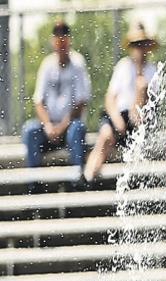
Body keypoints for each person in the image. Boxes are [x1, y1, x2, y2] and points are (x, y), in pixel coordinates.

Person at [81, 23, 158, 187]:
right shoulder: (123, 66)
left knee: (141, 87)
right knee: (106, 135)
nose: (139, 49)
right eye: (136, 45)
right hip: (118, 116)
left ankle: (89, 177)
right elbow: (110, 98)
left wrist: (140, 88)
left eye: (141, 45)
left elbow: (148, 108)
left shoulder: (152, 71)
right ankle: (88, 176)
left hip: (138, 120)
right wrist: (116, 120)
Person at [22, 20, 90, 180]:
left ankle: (75, 183)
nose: (61, 41)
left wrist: (61, 127)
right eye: (57, 37)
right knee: (29, 130)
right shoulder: (47, 64)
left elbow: (81, 102)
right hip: (49, 126)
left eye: (64, 37)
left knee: (77, 129)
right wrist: (48, 125)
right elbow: (38, 101)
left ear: (68, 40)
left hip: (68, 126)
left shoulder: (78, 63)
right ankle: (34, 185)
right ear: (53, 41)